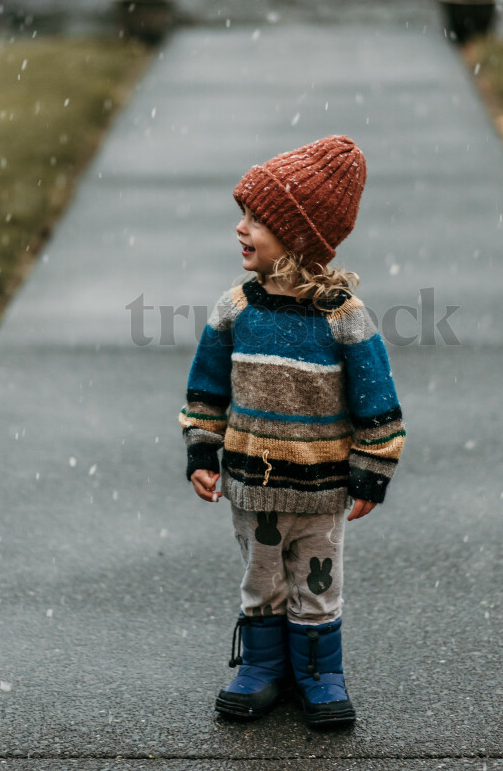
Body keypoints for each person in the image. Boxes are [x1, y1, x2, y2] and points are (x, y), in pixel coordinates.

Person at [178, 134, 406, 728]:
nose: (240, 228)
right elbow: (206, 390)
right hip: (251, 488)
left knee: (316, 582)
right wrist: (202, 449)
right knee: (262, 579)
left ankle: (319, 674)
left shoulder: (345, 319)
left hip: (322, 490)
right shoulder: (236, 309)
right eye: (242, 214)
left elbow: (377, 403)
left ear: (299, 238)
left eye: (256, 218)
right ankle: (261, 670)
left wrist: (372, 470)